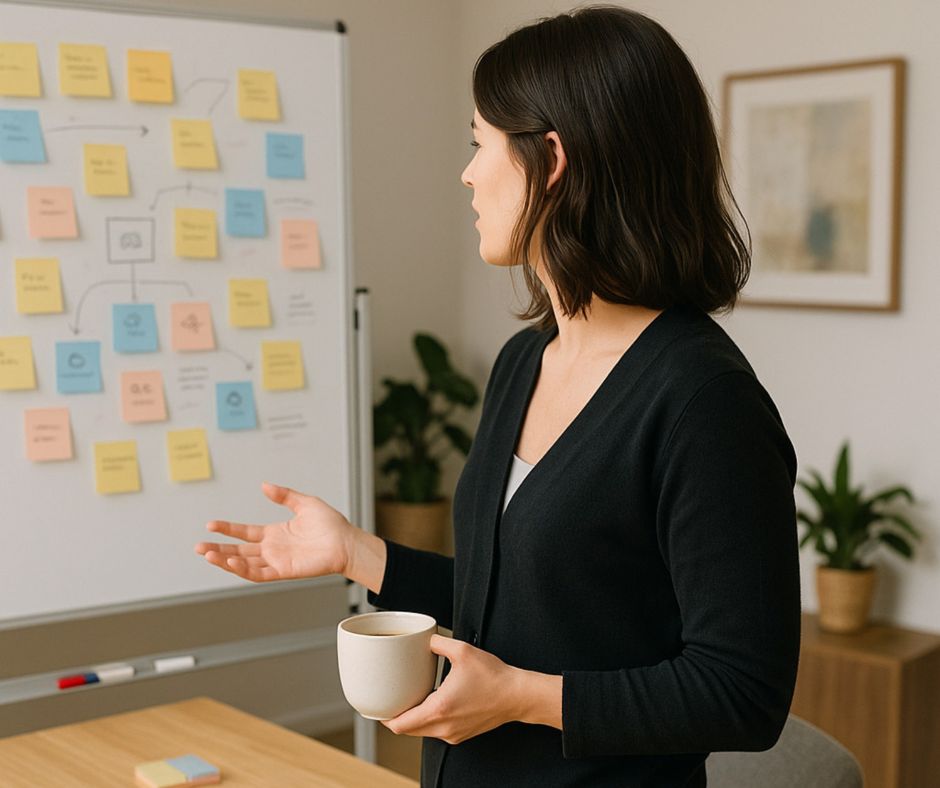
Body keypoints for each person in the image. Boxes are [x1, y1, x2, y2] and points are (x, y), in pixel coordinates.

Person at [195, 6, 801, 786]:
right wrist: (360, 554)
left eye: (479, 143)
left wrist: (519, 697)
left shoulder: (703, 401)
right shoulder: (524, 361)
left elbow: (743, 693)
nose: (467, 173)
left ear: (551, 160)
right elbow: (532, 606)